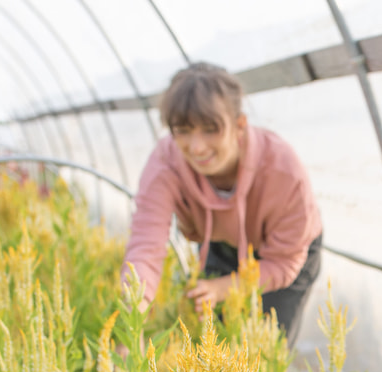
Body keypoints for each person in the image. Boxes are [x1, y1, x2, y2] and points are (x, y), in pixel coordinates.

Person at [122, 62, 323, 347]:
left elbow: (285, 261)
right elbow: (146, 245)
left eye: (210, 130)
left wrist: (223, 287)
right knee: (212, 348)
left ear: (239, 125)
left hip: (287, 253)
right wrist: (132, 321)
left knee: (264, 353)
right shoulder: (165, 163)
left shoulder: (283, 170)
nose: (197, 147)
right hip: (222, 243)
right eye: (183, 131)